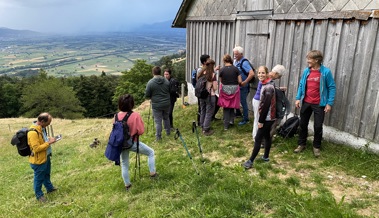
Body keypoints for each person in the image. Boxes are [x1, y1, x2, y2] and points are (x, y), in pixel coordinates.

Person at [294, 50, 336, 157]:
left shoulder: (325, 72)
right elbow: (301, 84)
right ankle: (301, 144)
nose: (308, 61)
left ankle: (316, 146)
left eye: (309, 59)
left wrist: (329, 103)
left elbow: (332, 87)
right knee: (303, 124)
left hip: (319, 104)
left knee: (318, 126)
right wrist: (298, 98)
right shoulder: (306, 71)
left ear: (317, 60)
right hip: (306, 102)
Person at [117, 94, 158, 191]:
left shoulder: (116, 116)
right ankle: (153, 173)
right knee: (151, 152)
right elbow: (141, 131)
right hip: (133, 142)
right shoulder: (135, 115)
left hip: (120, 144)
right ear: (131, 104)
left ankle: (127, 185)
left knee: (124, 164)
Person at [243, 66, 276, 169]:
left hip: (267, 118)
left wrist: (260, 121)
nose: (261, 75)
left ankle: (250, 161)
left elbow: (266, 106)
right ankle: (265, 157)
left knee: (258, 138)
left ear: (267, 74)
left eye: (263, 73)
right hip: (268, 117)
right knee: (267, 136)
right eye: (259, 73)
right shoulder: (266, 84)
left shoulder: (268, 87)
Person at [28, 112, 58, 203]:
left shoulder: (42, 128)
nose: (49, 124)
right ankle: (39, 196)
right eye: (48, 122)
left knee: (46, 174)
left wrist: (50, 139)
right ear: (41, 121)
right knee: (39, 178)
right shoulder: (33, 132)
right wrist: (49, 143)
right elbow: (36, 148)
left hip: (46, 156)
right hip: (38, 160)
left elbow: (43, 139)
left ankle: (49, 188)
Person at [145, 66, 171, 141]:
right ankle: (168, 132)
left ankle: (158, 137)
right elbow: (169, 90)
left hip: (156, 104)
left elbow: (147, 94)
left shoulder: (150, 82)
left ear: (153, 73)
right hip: (166, 103)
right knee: (166, 118)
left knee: (158, 121)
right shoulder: (166, 81)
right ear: (160, 72)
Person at [218, 54, 242, 130]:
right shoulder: (236, 69)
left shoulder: (221, 70)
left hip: (225, 89)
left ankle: (226, 125)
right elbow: (240, 81)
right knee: (232, 105)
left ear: (224, 61)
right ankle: (231, 121)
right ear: (230, 60)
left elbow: (221, 81)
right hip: (235, 88)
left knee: (226, 107)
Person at [233, 46, 255, 125]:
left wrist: (245, 82)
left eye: (236, 54)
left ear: (241, 54)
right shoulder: (235, 61)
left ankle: (246, 119)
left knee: (243, 102)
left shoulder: (244, 62)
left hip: (243, 86)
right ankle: (238, 113)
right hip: (237, 85)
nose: (235, 56)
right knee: (236, 100)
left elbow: (251, 73)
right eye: (234, 54)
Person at [197, 59, 218, 136]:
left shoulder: (201, 73)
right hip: (210, 95)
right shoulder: (212, 75)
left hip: (201, 95)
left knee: (203, 110)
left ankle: (202, 125)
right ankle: (206, 129)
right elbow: (215, 87)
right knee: (209, 112)